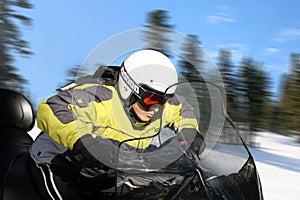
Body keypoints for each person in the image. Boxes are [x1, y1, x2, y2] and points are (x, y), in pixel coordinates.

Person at [29, 49, 203, 199]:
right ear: (129, 88)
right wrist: (84, 141)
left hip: (106, 172)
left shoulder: (158, 104)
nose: (157, 108)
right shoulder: (99, 96)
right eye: (151, 99)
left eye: (163, 101)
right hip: (60, 163)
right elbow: (51, 108)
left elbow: (182, 110)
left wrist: (189, 136)